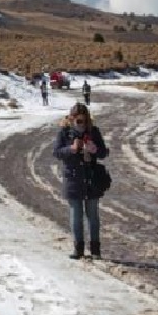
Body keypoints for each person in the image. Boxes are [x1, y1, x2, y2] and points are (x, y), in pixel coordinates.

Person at [53, 102, 110, 259]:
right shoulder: (64, 133)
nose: (82, 124)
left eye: (85, 120)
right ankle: (78, 249)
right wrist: (71, 149)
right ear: (71, 119)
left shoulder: (94, 132)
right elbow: (57, 153)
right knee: (76, 215)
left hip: (91, 179)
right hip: (73, 180)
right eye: (79, 121)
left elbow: (104, 152)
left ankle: (96, 250)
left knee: (93, 216)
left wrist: (95, 150)